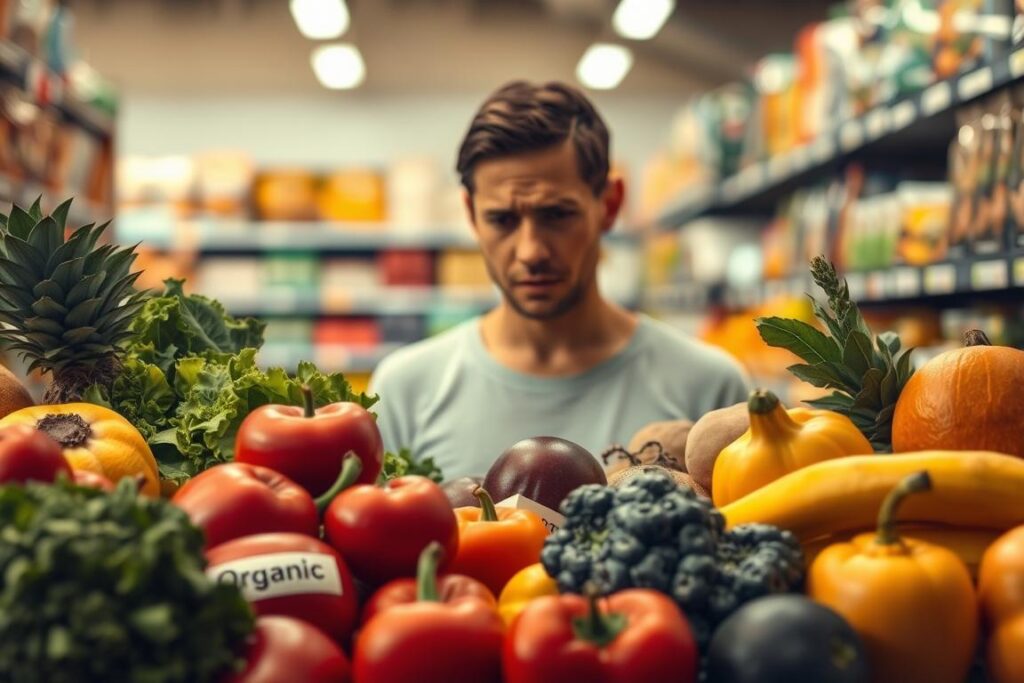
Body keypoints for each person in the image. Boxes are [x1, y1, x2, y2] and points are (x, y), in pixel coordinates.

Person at [369, 80, 749, 480]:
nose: (531, 251)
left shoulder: (709, 390)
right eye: (502, 219)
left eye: (556, 215)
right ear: (470, 214)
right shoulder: (404, 392)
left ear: (610, 204)